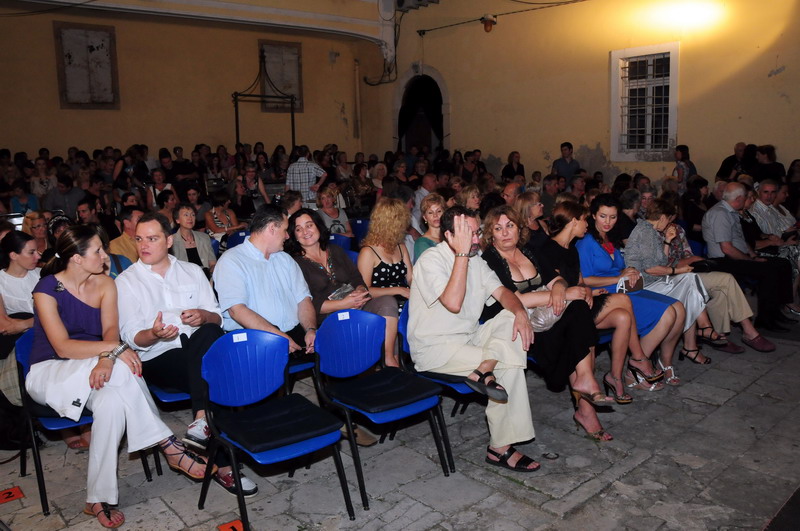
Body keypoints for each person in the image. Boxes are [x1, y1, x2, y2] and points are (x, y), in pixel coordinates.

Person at [26, 225, 211, 529]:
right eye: (97, 250)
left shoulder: (105, 285)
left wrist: (105, 356)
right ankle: (169, 444)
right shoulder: (47, 288)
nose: (105, 254)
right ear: (76, 258)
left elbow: (111, 331)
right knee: (126, 365)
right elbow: (63, 346)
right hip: (49, 372)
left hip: (97, 368)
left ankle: (96, 498)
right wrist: (113, 351)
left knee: (112, 404)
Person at [114, 213, 245, 495]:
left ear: (168, 240)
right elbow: (131, 336)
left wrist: (203, 315)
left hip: (198, 352)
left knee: (209, 335)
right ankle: (225, 462)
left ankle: (202, 418)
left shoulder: (192, 271)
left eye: (152, 238)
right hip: (159, 359)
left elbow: (218, 318)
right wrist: (154, 333)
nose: (144, 245)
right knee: (217, 374)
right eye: (139, 239)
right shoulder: (126, 282)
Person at [409, 205, 539, 472]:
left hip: (469, 339)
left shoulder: (477, 261)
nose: (477, 239)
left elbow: (503, 292)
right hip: (436, 347)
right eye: (469, 234)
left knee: (509, 318)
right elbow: (453, 303)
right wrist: (461, 254)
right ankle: (499, 448)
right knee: (510, 364)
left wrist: (520, 312)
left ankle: (484, 369)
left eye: (477, 232)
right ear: (449, 235)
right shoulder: (431, 261)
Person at [481, 206, 614, 440]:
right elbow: (514, 299)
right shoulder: (488, 259)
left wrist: (561, 290)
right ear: (490, 233)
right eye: (498, 228)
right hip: (519, 326)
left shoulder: (530, 251)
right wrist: (564, 295)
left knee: (579, 312)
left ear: (518, 228)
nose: (505, 233)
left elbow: (557, 279)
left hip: (548, 316)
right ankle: (585, 404)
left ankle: (585, 383)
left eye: (510, 226)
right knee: (578, 325)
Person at [543, 202, 665, 403]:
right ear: (574, 222)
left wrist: (588, 290)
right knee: (623, 299)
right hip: (566, 311)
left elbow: (580, 280)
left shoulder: (570, 248)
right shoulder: (550, 249)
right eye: (584, 220)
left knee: (624, 317)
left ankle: (615, 377)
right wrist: (585, 289)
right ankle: (639, 359)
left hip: (582, 303)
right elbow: (558, 285)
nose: (587, 224)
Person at [576, 194, 683, 390]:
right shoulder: (586, 242)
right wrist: (619, 277)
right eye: (603, 216)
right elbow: (586, 280)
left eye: (613, 217)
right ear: (593, 216)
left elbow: (618, 268)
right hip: (603, 294)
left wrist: (628, 271)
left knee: (678, 307)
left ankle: (652, 362)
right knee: (668, 313)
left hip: (622, 288)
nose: (608, 222)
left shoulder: (608, 238)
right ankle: (636, 365)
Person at [287, 208, 402, 369]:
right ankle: (369, 365)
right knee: (355, 321)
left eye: (309, 225)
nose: (305, 232)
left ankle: (389, 359)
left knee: (387, 302)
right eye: (299, 229)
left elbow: (356, 277)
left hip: (356, 303)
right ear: (294, 235)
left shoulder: (335, 250)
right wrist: (345, 303)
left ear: (318, 226)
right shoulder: (294, 264)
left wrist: (360, 290)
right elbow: (307, 303)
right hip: (329, 315)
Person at [625, 199, 723, 374]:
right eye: (669, 220)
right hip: (643, 286)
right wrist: (675, 270)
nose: (670, 224)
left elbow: (661, 261)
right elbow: (651, 269)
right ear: (663, 217)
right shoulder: (645, 232)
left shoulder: (653, 232)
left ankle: (700, 332)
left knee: (689, 285)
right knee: (688, 279)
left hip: (654, 282)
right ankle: (703, 328)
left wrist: (668, 241)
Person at [213, 204, 317, 361]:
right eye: (285, 230)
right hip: (254, 339)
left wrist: (310, 329)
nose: (287, 236)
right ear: (272, 228)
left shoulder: (285, 259)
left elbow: (303, 298)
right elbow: (237, 310)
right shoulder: (232, 260)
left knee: (332, 349)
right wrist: (277, 336)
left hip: (293, 331)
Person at [665, 220, 775, 353]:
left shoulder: (678, 229)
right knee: (726, 279)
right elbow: (659, 265)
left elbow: (688, 254)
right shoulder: (648, 232)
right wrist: (687, 261)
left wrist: (690, 260)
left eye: (670, 214)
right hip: (668, 277)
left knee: (720, 290)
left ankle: (720, 335)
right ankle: (749, 331)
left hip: (688, 272)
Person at [702, 182, 795, 332]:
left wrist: (753, 255)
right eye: (745, 196)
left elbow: (741, 241)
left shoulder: (732, 211)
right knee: (768, 270)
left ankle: (776, 311)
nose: (747, 199)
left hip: (737, 257)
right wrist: (750, 260)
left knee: (782, 264)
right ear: (739, 198)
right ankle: (765, 319)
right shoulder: (720, 214)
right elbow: (727, 249)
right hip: (723, 261)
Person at [357, 198, 413, 347]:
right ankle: (391, 357)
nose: (404, 226)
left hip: (402, 297)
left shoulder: (400, 246)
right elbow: (365, 291)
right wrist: (399, 290)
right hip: (378, 302)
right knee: (394, 305)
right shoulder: (368, 252)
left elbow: (411, 278)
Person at [171, 203, 216, 274]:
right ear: (177, 220)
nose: (190, 218)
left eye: (193, 215)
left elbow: (212, 263)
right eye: (186, 215)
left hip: (205, 277)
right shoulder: (171, 241)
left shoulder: (204, 237)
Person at [414, 193, 445, 263]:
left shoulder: (450, 237)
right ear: (425, 217)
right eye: (430, 212)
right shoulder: (421, 243)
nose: (435, 215)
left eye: (439, 211)